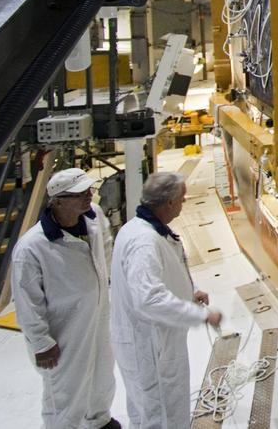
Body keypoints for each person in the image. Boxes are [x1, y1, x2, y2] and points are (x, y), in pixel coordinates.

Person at [111, 171, 222, 429]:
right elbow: (148, 299)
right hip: (150, 345)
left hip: (154, 340)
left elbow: (157, 275)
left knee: (151, 411)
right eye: (182, 198)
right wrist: (201, 315)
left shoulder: (140, 228)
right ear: (169, 202)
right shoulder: (144, 242)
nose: (184, 202)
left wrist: (189, 292)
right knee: (160, 414)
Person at [10, 167, 120, 429]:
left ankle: (99, 422)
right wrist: (40, 342)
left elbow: (106, 250)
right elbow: (27, 302)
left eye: (88, 190)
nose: (88, 196)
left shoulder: (94, 217)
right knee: (66, 392)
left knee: (102, 379)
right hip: (64, 331)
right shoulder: (32, 247)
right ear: (58, 201)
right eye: (79, 193)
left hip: (97, 317)